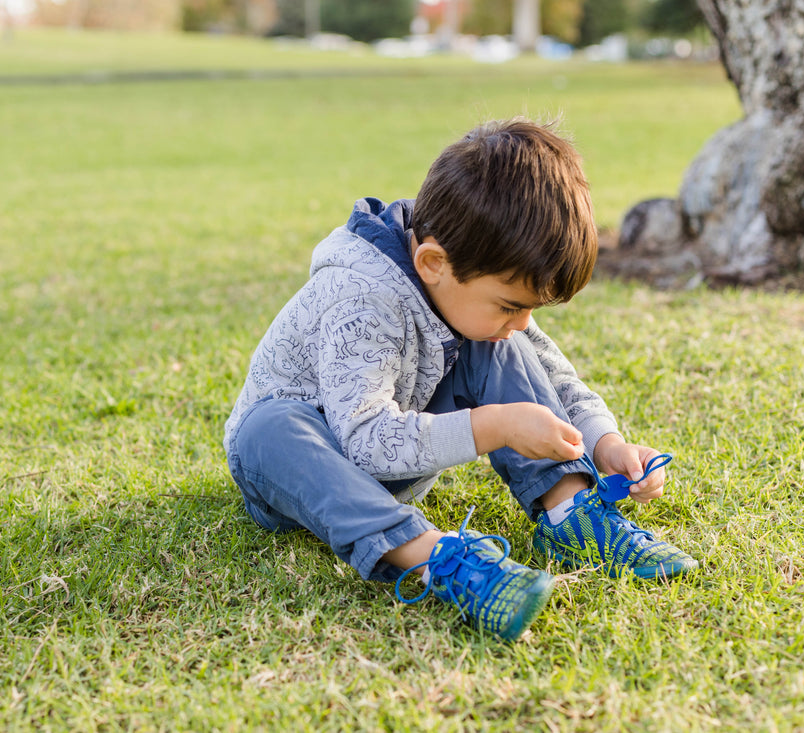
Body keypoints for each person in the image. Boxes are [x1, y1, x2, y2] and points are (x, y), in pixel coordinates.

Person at [223, 118, 697, 642]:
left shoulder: (468, 285)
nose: (522, 321)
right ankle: (440, 560)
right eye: (511, 305)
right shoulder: (360, 297)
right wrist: (493, 425)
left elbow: (554, 377)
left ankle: (570, 510)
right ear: (432, 262)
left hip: (396, 463)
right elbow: (362, 441)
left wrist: (604, 441)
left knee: (497, 342)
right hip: (296, 474)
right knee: (268, 428)